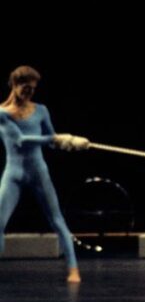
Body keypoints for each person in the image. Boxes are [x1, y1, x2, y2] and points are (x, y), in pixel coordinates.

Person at [0, 66, 89, 283]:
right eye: (25, 88)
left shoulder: (41, 110)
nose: (30, 92)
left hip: (38, 172)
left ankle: (73, 269)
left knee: (57, 220)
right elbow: (20, 140)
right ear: (14, 85)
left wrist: (70, 144)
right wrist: (60, 138)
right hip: (14, 173)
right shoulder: (1, 114)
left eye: (33, 89)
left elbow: (52, 140)